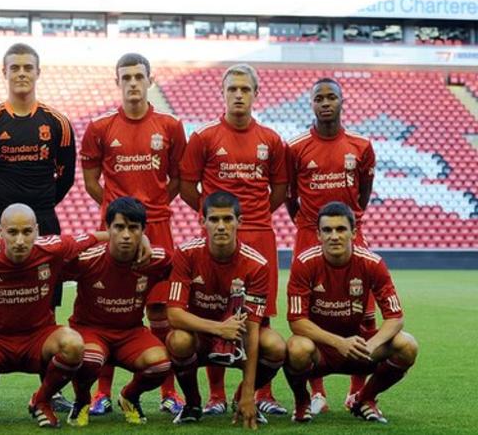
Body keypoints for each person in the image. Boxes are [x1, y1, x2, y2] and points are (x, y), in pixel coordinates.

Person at [0, 203, 148, 428]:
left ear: (37, 231)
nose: (20, 240)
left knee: (74, 344)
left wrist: (141, 238)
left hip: (39, 337)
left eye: (27, 232)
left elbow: (95, 236)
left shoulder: (54, 247)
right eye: (12, 232)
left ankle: (41, 400)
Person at [0, 42, 76, 411]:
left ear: (38, 72)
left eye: (28, 67)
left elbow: (68, 177)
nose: (22, 73)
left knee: (47, 304)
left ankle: (49, 391)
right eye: (15, 67)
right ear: (4, 72)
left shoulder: (57, 124)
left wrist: (38, 210)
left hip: (44, 220)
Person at [80, 53, 186, 416]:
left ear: (150, 80)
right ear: (117, 82)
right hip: (114, 232)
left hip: (157, 226)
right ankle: (102, 394)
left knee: (161, 312)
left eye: (139, 77)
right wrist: (119, 216)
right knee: (108, 310)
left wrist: (149, 211)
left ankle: (168, 392)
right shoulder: (100, 127)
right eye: (125, 78)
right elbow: (92, 181)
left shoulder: (170, 126)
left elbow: (177, 179)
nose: (133, 84)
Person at [179, 64, 288, 415]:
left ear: (256, 93)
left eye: (245, 89)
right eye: (232, 89)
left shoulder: (271, 140)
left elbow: (281, 190)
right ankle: (214, 396)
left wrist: (251, 218)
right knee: (214, 311)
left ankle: (260, 393)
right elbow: (185, 186)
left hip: (258, 234)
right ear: (222, 93)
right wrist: (215, 217)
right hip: (217, 236)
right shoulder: (204, 137)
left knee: (262, 318)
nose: (238, 95)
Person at [286, 78, 377, 414]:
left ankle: (359, 392)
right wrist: (310, 225)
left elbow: (364, 194)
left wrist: (350, 224)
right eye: (318, 98)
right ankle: (318, 392)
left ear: (342, 101)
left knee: (363, 315)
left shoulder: (361, 146)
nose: (325, 103)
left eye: (331, 97)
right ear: (311, 104)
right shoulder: (295, 148)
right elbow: (290, 198)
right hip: (309, 234)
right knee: (313, 314)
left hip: (352, 235)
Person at [284, 202, 418, 424]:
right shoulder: (304, 263)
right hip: (321, 348)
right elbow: (297, 322)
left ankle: (365, 399)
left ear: (354, 233)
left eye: (341, 229)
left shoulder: (372, 263)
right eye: (327, 230)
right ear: (318, 234)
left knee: (407, 345)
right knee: (296, 348)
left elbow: (395, 318)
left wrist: (371, 345)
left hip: (359, 348)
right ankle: (302, 401)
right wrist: (338, 343)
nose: (334, 236)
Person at [166, 191, 286, 428]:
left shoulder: (257, 264)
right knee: (178, 341)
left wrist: (249, 393)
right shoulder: (186, 253)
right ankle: (192, 404)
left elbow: (252, 329)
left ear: (239, 222)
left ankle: (240, 398)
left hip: (239, 337)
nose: (221, 226)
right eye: (214, 220)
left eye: (228, 219)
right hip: (202, 336)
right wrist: (219, 328)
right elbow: (174, 314)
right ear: (203, 222)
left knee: (276, 346)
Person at [63, 197, 172, 426]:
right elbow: (60, 252)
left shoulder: (155, 259)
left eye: (133, 228)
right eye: (119, 227)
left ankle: (129, 397)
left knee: (161, 363)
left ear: (143, 231)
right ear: (107, 228)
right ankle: (82, 401)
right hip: (90, 331)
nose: (125, 235)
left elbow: (186, 265)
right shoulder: (87, 260)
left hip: (130, 333)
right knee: (89, 359)